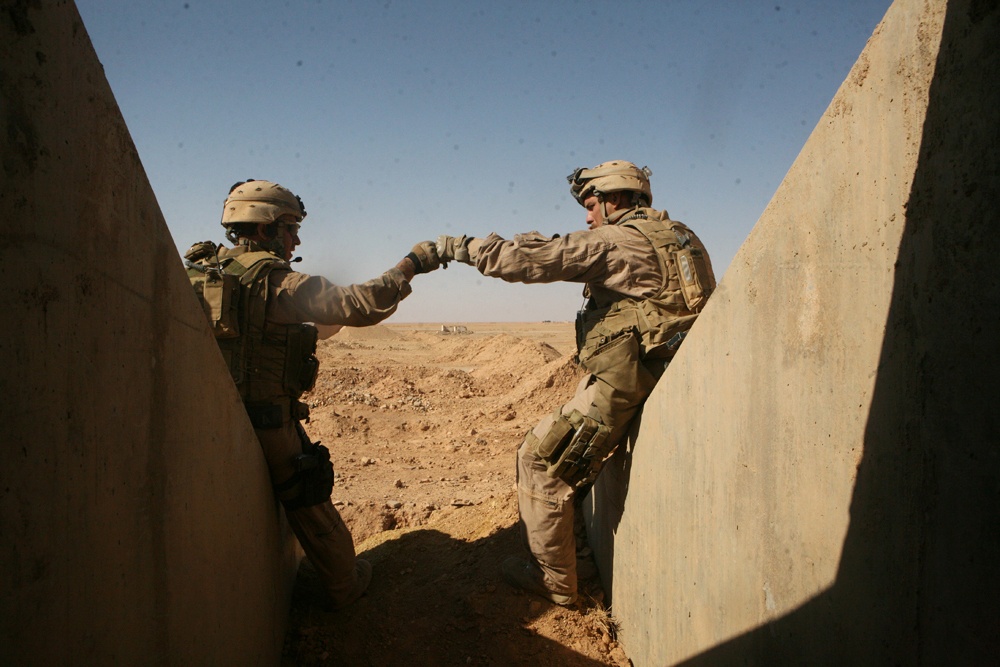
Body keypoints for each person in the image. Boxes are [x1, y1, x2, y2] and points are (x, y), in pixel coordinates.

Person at [436, 160, 715, 605]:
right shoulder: (678, 236)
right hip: (663, 368)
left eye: (592, 205)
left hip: (629, 382)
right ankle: (576, 538)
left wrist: (456, 247)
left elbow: (528, 262)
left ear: (617, 200)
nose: (588, 216)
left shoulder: (619, 240)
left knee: (539, 461)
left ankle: (555, 582)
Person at [184, 179, 440, 609]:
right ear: (265, 229)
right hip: (267, 420)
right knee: (309, 490)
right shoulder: (277, 283)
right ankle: (344, 585)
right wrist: (411, 264)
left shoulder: (200, 273)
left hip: (206, 416)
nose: (296, 239)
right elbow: (358, 304)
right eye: (290, 228)